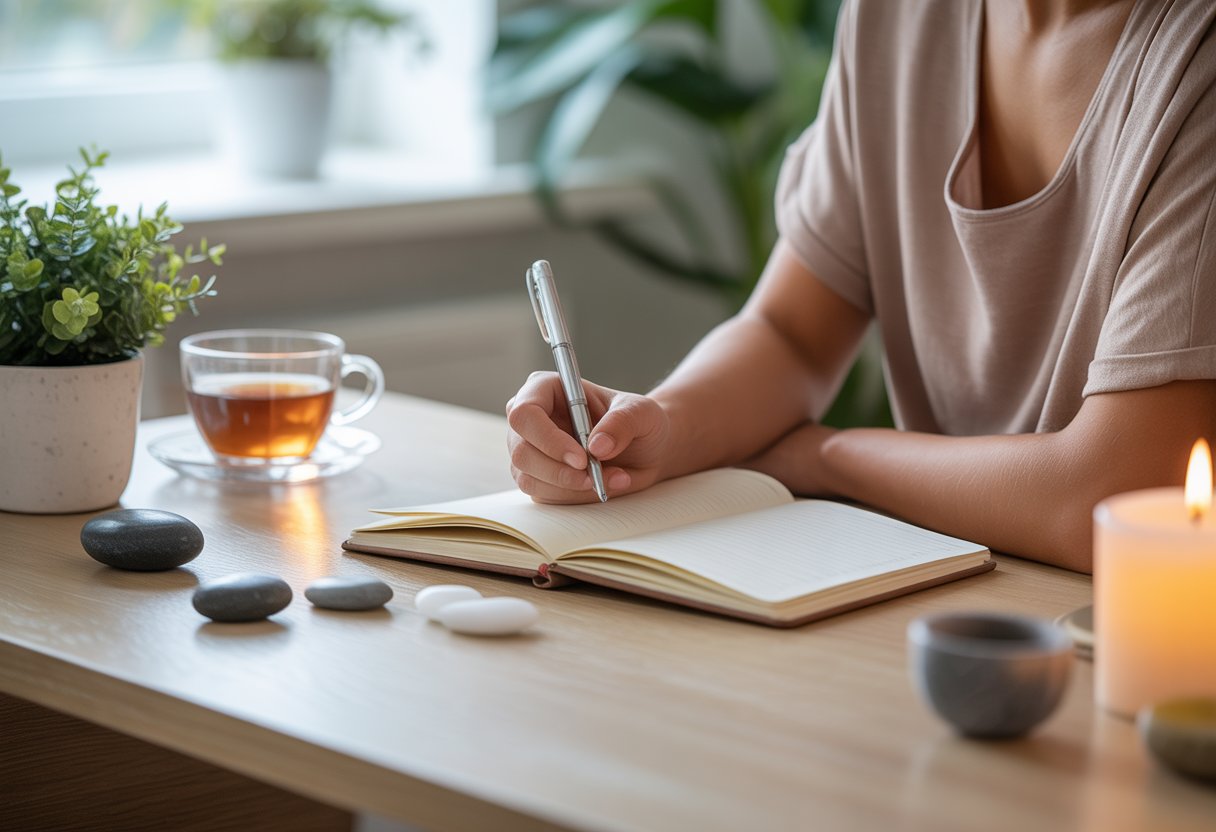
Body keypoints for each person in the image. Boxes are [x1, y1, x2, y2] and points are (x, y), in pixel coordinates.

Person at [505, 0, 1216, 573]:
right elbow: (791, 334)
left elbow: (1115, 496)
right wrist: (658, 427)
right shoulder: (895, 17)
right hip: (935, 587)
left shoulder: (1195, 56)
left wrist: (829, 458)